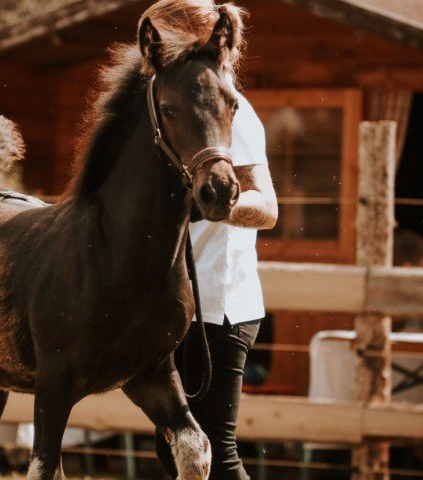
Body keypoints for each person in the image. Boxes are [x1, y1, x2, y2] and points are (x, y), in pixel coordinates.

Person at [139, 2, 278, 479]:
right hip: (170, 304)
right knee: (174, 451)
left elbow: (267, 207)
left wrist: (214, 205)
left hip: (219, 305)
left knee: (216, 452)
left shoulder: (224, 106)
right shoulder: (164, 105)